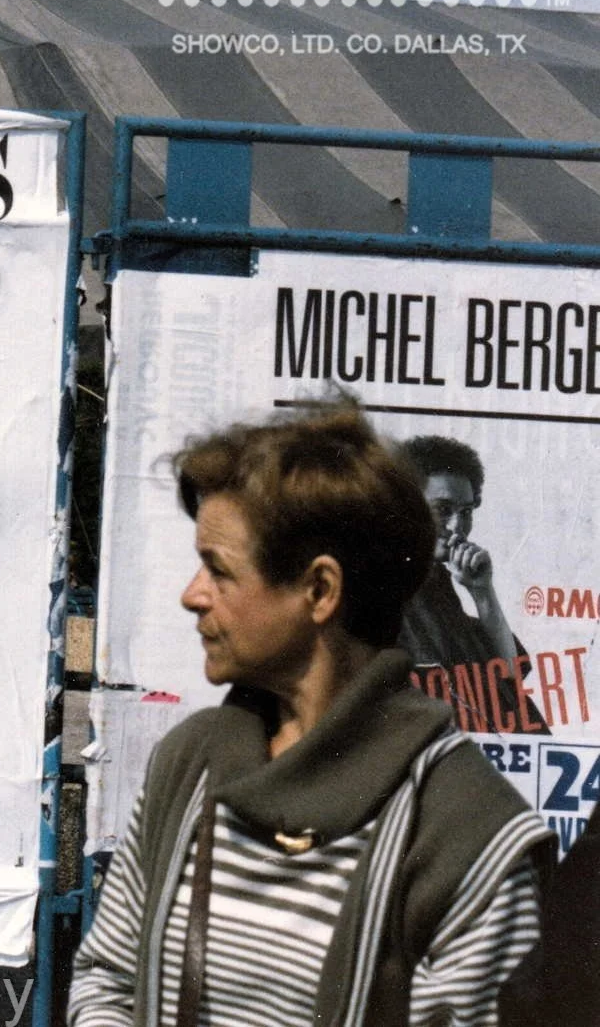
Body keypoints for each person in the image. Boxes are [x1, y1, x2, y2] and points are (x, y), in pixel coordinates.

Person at [69, 406, 551, 1026]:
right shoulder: (191, 762)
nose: (192, 594)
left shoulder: (469, 836)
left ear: (321, 591)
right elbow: (108, 977)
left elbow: (508, 686)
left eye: (218, 568)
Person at [397, 434, 545, 733]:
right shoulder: (382, 590)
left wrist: (482, 591)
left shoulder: (442, 590)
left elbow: (510, 678)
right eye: (442, 510)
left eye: (466, 512)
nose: (457, 526)